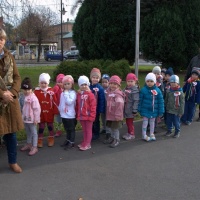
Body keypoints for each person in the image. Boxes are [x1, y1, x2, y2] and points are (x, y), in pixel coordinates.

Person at [0, 28, 24, 173]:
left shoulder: (10, 57)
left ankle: (12, 162)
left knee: (11, 134)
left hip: (10, 100)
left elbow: (17, 77)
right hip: (1, 98)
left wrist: (12, 93)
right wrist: (2, 94)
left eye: (1, 39)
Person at [138, 73, 164, 141]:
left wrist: (161, 110)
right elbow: (140, 100)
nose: (149, 83)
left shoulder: (158, 91)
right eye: (148, 81)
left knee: (152, 122)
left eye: (151, 81)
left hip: (153, 110)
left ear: (154, 82)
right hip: (145, 110)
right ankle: (144, 134)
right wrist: (139, 109)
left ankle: (152, 133)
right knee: (145, 122)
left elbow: (160, 101)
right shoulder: (143, 90)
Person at [34, 73, 58, 148]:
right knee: (41, 126)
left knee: (50, 125)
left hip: (49, 112)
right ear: (39, 83)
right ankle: (40, 139)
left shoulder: (51, 91)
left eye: (45, 83)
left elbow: (55, 101)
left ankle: (51, 138)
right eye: (42, 83)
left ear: (48, 83)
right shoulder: (36, 92)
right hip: (40, 113)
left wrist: (55, 111)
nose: (43, 85)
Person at [20, 77, 41, 156]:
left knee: (34, 132)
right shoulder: (23, 97)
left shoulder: (33, 98)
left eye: (28, 89)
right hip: (26, 118)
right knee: (28, 132)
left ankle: (34, 147)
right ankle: (29, 144)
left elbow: (36, 109)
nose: (26, 91)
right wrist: (22, 117)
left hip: (32, 119)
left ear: (31, 89)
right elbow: (23, 108)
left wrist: (36, 119)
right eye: (25, 90)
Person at [76, 75, 96, 151]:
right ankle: (84, 142)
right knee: (84, 130)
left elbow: (93, 106)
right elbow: (78, 105)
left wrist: (92, 116)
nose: (84, 86)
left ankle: (88, 143)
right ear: (79, 85)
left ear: (88, 85)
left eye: (85, 84)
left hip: (88, 116)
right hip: (82, 116)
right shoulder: (79, 94)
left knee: (88, 130)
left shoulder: (90, 95)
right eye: (82, 85)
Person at [105, 75, 124, 148]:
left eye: (115, 84)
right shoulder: (109, 92)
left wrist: (118, 115)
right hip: (110, 114)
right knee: (111, 127)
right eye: (111, 83)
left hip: (116, 115)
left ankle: (116, 139)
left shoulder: (118, 94)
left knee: (115, 128)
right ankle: (112, 138)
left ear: (118, 85)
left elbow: (119, 106)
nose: (113, 85)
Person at [59, 75, 77, 149]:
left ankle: (72, 142)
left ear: (72, 84)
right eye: (65, 84)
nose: (66, 86)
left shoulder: (73, 93)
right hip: (64, 114)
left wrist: (66, 94)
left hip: (70, 115)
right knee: (67, 129)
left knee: (71, 129)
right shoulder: (62, 93)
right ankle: (68, 139)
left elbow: (69, 102)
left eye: (68, 84)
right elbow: (61, 103)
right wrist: (60, 110)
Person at [89, 68, 105, 140]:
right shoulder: (88, 87)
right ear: (91, 78)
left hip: (96, 109)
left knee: (96, 121)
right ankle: (91, 132)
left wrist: (100, 109)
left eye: (97, 78)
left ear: (99, 79)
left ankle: (96, 133)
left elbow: (102, 100)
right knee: (90, 121)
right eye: (93, 77)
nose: (95, 79)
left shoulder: (100, 88)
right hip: (89, 108)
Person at [122, 73, 139, 140]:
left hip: (131, 110)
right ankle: (129, 132)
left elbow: (136, 100)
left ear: (135, 81)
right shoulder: (126, 88)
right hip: (126, 108)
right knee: (127, 121)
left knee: (130, 122)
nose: (130, 83)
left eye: (132, 81)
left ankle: (132, 134)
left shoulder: (135, 90)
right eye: (128, 81)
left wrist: (134, 110)